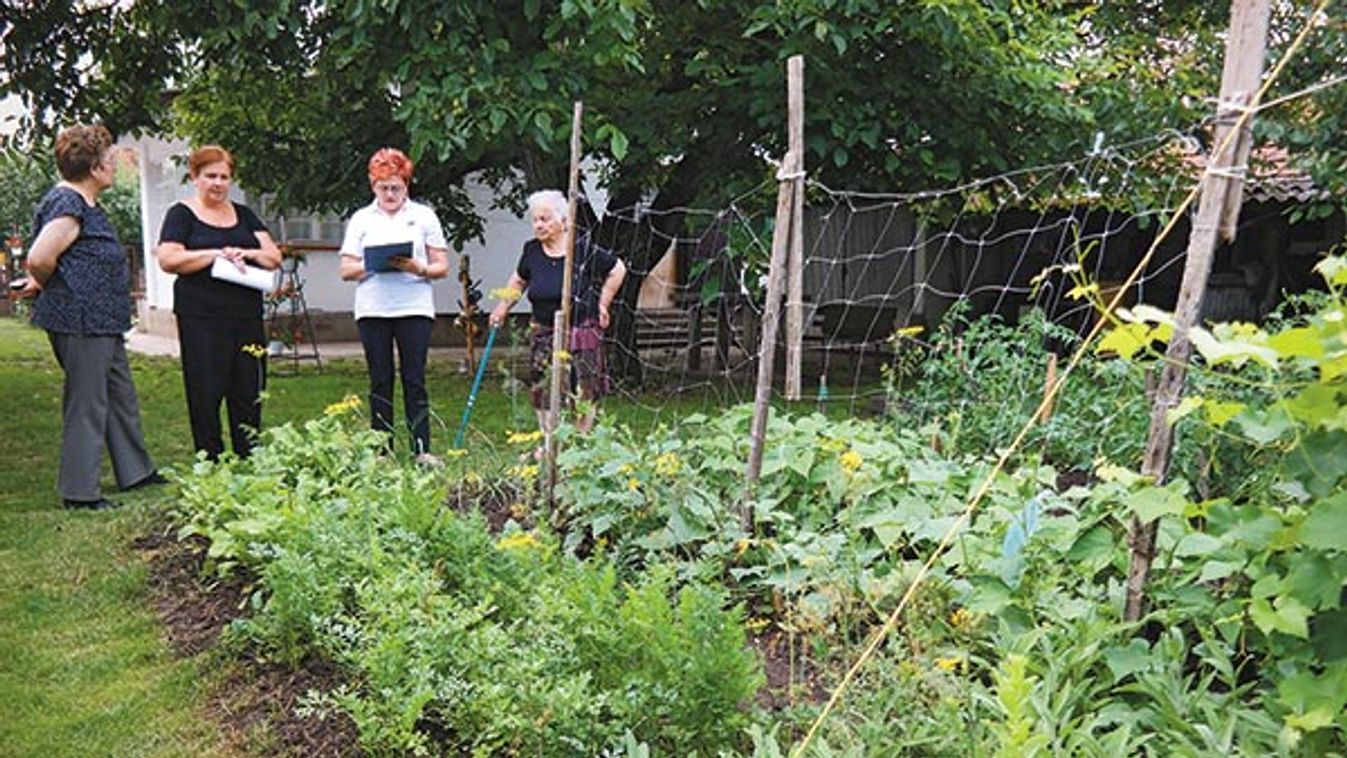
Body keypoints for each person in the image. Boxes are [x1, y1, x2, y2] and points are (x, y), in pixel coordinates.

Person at [20, 124, 162, 509]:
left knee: (119, 395)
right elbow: (39, 258)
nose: (115, 167)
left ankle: (136, 471)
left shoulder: (84, 202)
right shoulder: (69, 205)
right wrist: (50, 285)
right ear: (95, 168)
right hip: (80, 318)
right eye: (111, 160)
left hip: (102, 319)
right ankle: (79, 492)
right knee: (87, 402)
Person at [155, 145, 282, 460]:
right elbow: (169, 259)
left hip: (246, 314)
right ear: (195, 178)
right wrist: (214, 254)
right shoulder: (181, 214)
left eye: (224, 177)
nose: (218, 183)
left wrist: (246, 252)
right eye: (210, 176)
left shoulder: (245, 214)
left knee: (248, 385)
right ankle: (209, 455)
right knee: (205, 387)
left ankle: (249, 450)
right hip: (201, 316)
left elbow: (273, 256)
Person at [339, 148, 450, 463]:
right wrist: (375, 264)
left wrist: (419, 268)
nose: (389, 194)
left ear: (407, 185)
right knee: (380, 379)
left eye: (396, 187)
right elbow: (347, 269)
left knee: (414, 379)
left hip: (414, 305)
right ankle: (382, 450)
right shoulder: (362, 218)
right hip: (373, 308)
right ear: (373, 185)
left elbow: (442, 265)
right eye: (383, 187)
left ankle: (421, 449)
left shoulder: (424, 216)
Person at [489, 189, 627, 436]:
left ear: (563, 221)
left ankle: (581, 438)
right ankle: (549, 439)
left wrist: (603, 303)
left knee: (584, 384)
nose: (538, 225)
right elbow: (519, 281)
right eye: (535, 220)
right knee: (542, 385)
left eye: (544, 219)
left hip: (581, 326)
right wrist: (501, 307)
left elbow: (617, 269)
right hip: (544, 328)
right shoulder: (531, 250)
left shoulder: (581, 248)